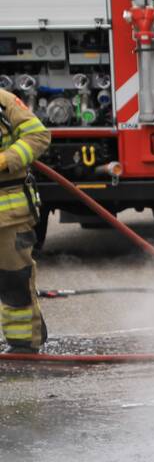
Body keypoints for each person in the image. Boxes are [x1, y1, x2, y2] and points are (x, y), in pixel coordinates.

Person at [0, 88, 50, 354]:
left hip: (8, 214)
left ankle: (23, 344)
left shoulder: (4, 103)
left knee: (13, 280)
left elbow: (38, 136)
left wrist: (6, 159)